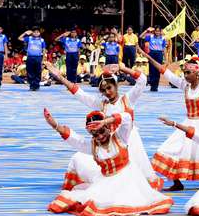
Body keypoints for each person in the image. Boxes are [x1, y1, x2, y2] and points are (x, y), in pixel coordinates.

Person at [45, 61, 162, 191]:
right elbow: (81, 94)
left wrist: (123, 69)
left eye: (109, 88)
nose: (107, 92)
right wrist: (61, 78)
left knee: (135, 179)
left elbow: (142, 80)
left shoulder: (127, 99)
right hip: (109, 141)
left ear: (116, 85)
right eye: (103, 90)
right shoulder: (102, 104)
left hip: (129, 140)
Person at [44, 108, 173, 216]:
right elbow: (75, 139)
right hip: (106, 180)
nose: (99, 136)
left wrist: (105, 120)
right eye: (95, 134)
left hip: (129, 178)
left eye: (101, 131)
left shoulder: (120, 137)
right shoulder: (92, 145)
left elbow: (127, 117)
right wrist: (54, 125)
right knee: (94, 202)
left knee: (133, 202)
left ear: (108, 127)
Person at [142, 49, 199, 191]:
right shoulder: (184, 86)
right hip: (188, 123)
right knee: (170, 150)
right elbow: (164, 71)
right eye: (185, 72)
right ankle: (177, 183)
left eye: (188, 72)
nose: (185, 75)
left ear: (197, 73)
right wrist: (148, 56)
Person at [141, 27, 167, 91]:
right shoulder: (150, 36)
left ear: (160, 31)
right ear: (154, 31)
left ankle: (156, 86)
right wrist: (146, 30)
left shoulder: (163, 38)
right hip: (152, 53)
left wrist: (166, 59)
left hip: (159, 54)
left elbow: (164, 49)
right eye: (156, 31)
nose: (157, 32)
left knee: (158, 70)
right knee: (152, 69)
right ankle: (152, 85)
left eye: (159, 31)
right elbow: (141, 36)